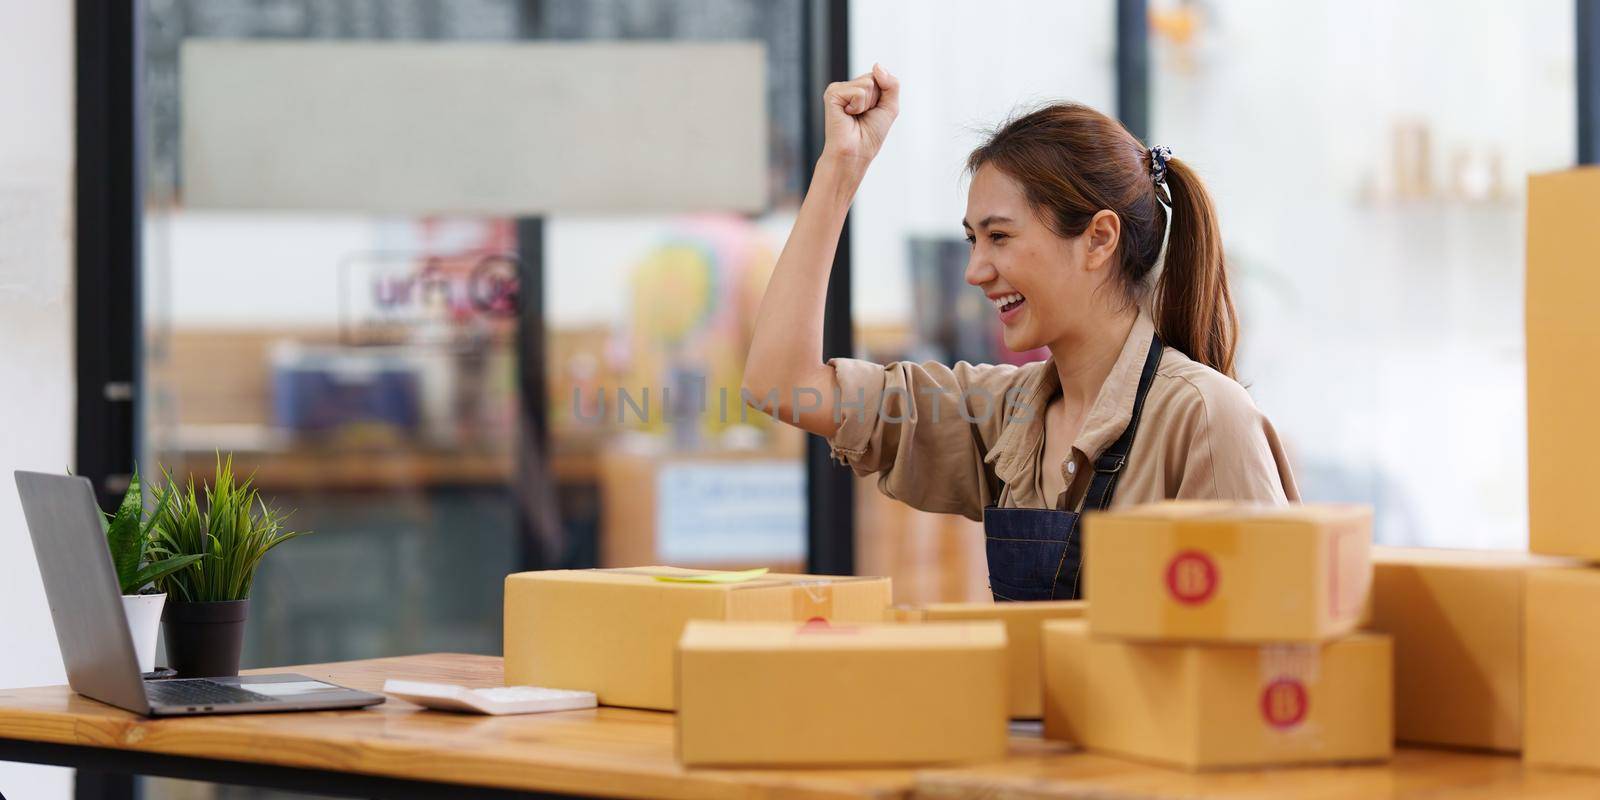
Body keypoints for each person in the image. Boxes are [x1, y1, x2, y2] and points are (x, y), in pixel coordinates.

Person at [742, 64, 1299, 602]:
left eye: (1000, 237)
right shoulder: (1003, 417)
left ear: (1099, 239)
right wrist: (841, 170)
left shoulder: (1202, 416)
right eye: (972, 241)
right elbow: (781, 384)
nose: (975, 271)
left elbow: (1266, 653)